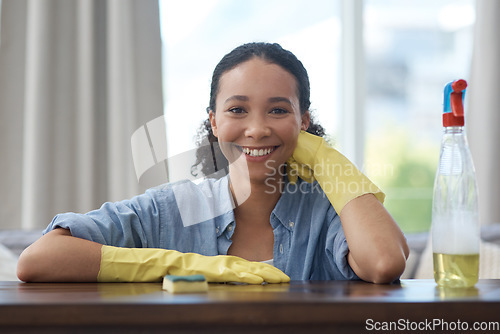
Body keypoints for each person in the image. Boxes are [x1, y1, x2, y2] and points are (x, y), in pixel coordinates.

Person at [17, 42, 409, 284]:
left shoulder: (327, 215)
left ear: (303, 121)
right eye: (238, 109)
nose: (256, 130)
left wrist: (321, 155)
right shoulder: (170, 210)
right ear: (214, 121)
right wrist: (180, 263)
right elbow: (38, 259)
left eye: (277, 110)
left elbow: (385, 262)